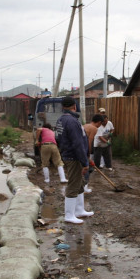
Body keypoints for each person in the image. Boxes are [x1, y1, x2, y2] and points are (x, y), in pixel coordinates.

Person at [55, 96, 93, 224]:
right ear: (74, 106)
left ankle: (79, 210)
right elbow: (78, 143)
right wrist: (84, 162)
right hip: (74, 157)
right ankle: (69, 215)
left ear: (63, 107)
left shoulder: (61, 120)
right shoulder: (72, 121)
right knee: (73, 184)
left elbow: (58, 139)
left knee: (80, 182)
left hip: (68, 154)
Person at [83, 114, 104, 193]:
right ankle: (84, 187)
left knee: (90, 168)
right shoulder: (94, 128)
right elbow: (89, 141)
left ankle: (82, 184)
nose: (100, 126)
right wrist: (88, 154)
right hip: (84, 150)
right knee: (87, 168)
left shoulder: (85, 125)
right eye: (100, 124)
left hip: (79, 148)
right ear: (98, 122)